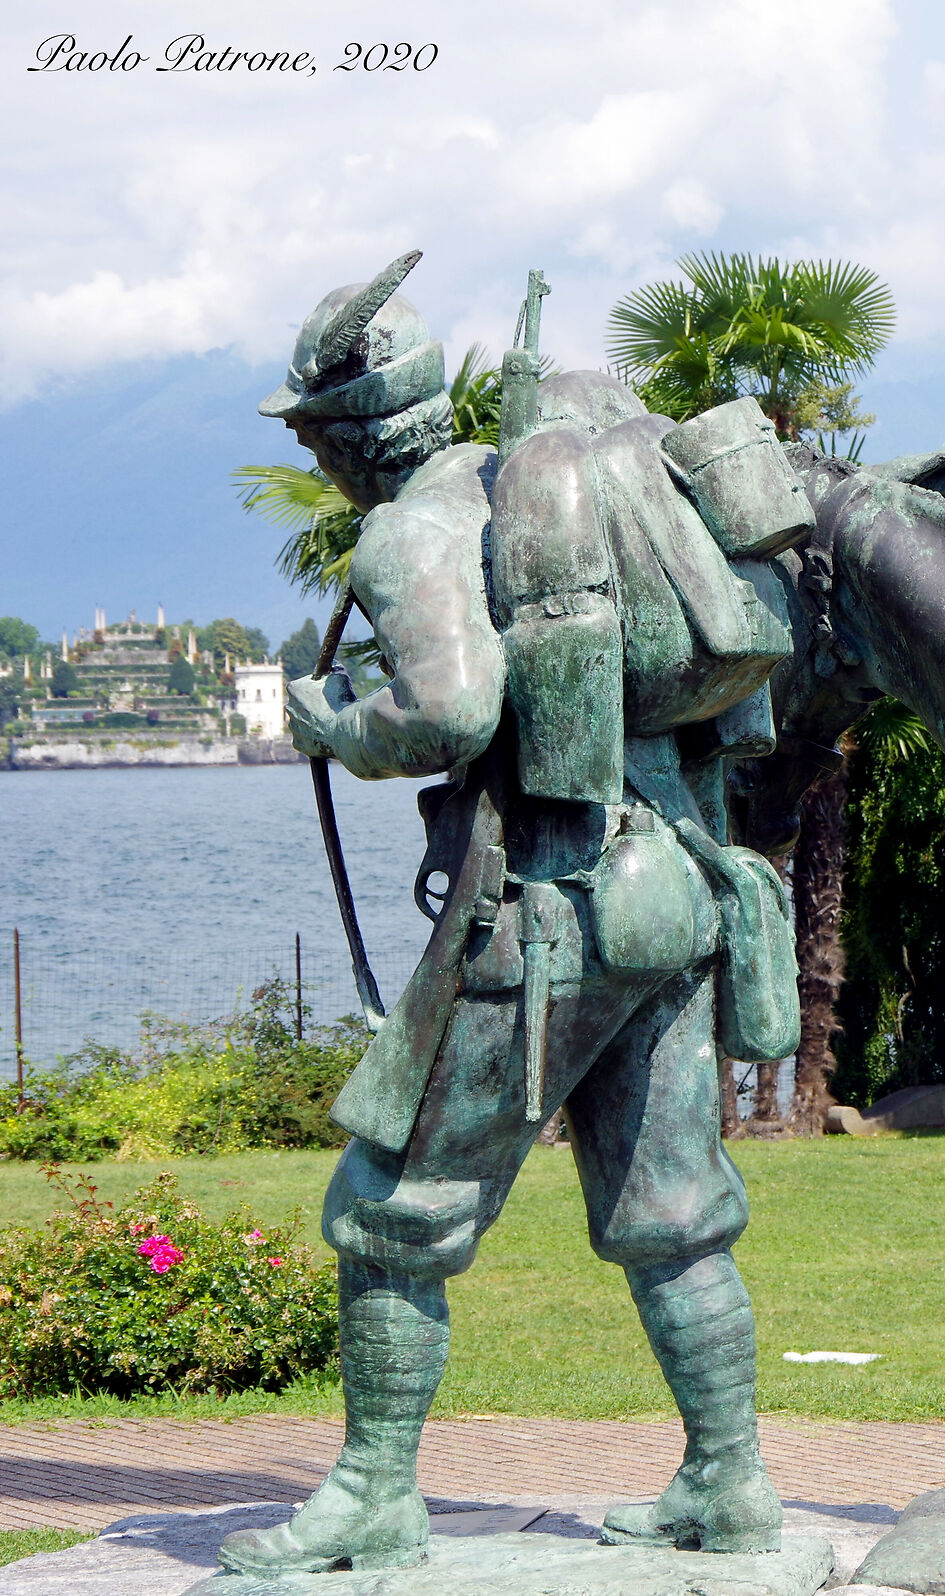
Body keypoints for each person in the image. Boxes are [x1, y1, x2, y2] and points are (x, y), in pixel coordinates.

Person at [220, 255, 795, 1576]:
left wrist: (335, 724)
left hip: (544, 911)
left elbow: (455, 709)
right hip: (673, 886)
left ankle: (374, 1490)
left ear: (353, 435)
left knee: (390, 1207)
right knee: (675, 1211)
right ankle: (734, 1484)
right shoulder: (533, 481)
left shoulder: (412, 526)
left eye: (316, 441)